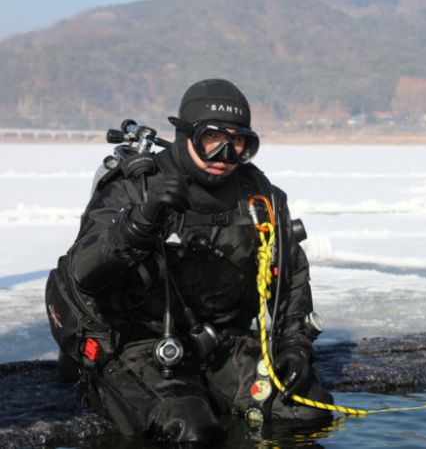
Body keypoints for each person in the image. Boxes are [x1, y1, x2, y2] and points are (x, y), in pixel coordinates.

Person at [45, 79, 332, 445]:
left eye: (237, 143)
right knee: (190, 431)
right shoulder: (135, 189)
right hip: (138, 343)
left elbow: (289, 278)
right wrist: (137, 225)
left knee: (307, 410)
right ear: (185, 134)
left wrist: (295, 346)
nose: (224, 155)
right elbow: (83, 273)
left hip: (222, 342)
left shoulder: (260, 199)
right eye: (212, 139)